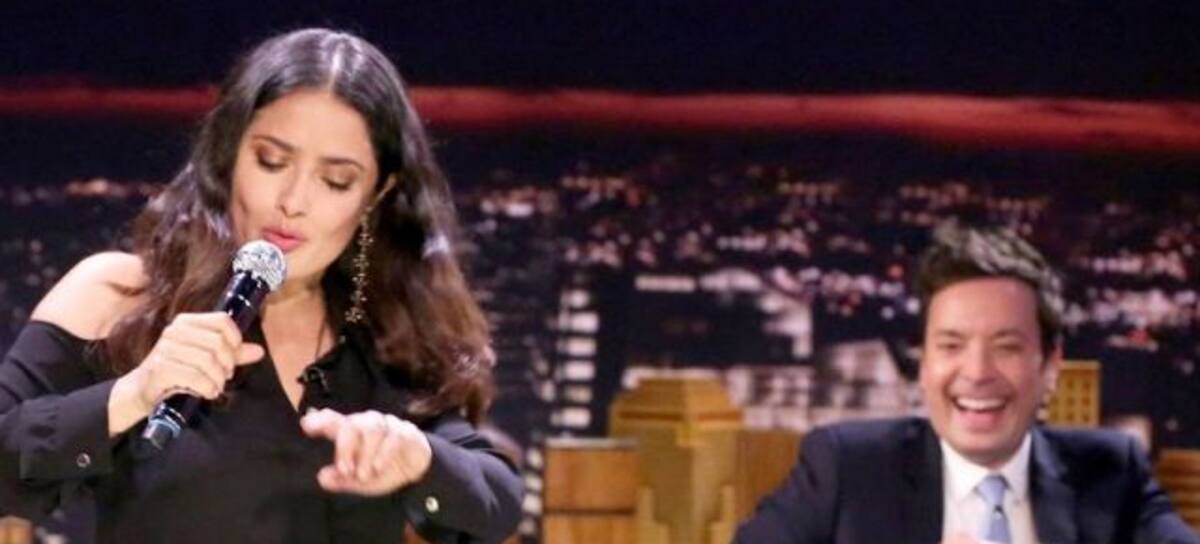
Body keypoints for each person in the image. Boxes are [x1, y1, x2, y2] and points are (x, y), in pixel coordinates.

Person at [0, 28, 523, 543]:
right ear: (228, 154)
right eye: (271, 161)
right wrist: (132, 394)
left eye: (335, 181)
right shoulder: (121, 297)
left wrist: (421, 458)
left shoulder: (387, 336)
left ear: (376, 194)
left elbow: (498, 500)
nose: (293, 201)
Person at [735, 221, 1198, 543]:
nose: (976, 373)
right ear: (924, 364)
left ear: (1050, 367)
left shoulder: (1112, 475)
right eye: (951, 345)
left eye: (1006, 347)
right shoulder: (847, 470)